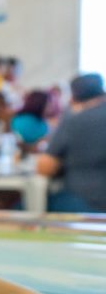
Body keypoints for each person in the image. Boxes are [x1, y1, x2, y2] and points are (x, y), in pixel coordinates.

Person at [37, 74, 106, 213]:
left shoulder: (74, 119)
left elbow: (44, 167)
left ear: (73, 96)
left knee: (21, 206)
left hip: (86, 201)